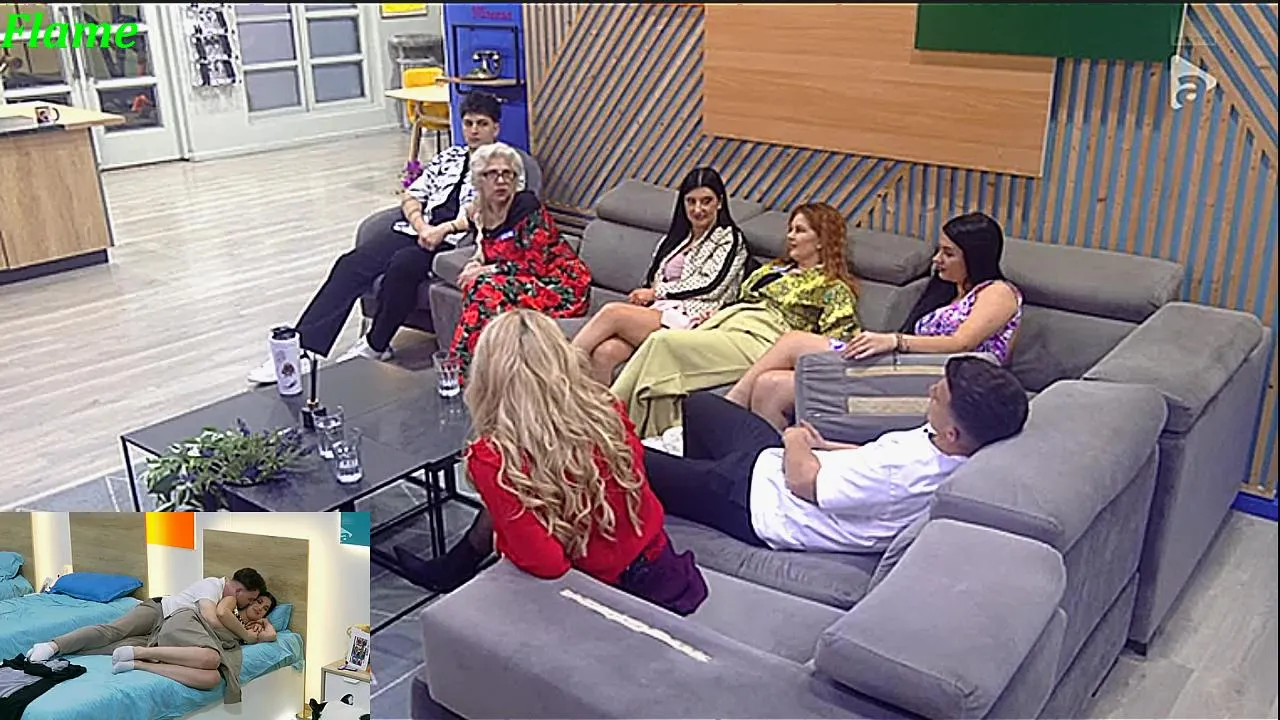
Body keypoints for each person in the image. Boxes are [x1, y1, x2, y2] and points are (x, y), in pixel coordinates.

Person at [394, 309, 707, 615]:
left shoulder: (493, 456)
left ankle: (446, 571)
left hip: (610, 593)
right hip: (659, 560)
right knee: (514, 487)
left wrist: (505, 539)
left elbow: (547, 564)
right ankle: (452, 567)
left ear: (488, 377)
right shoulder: (605, 410)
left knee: (509, 486)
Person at [246, 92, 516, 383]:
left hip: (453, 242)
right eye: (468, 123)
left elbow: (486, 211)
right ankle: (303, 349)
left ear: (496, 128)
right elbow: (412, 194)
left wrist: (441, 230)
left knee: (403, 265)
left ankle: (376, 344)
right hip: (417, 229)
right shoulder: (449, 157)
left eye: (482, 124)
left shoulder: (503, 166)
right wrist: (420, 225)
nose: (474, 130)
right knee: (350, 264)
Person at [644, 356, 1029, 554]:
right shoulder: (952, 444)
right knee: (701, 406)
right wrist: (825, 447)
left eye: (938, 396)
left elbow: (804, 483)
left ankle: (689, 495)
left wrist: (795, 439)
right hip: (774, 468)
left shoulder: (905, 473)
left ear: (954, 432)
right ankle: (690, 489)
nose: (930, 391)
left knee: (635, 458)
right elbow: (872, 456)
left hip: (759, 504)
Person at [724, 211, 1023, 430]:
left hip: (946, 382)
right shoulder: (947, 291)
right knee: (769, 386)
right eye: (938, 251)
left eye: (948, 253)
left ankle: (728, 406)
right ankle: (762, 465)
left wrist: (894, 341)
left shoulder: (998, 292)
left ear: (975, 257)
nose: (936, 260)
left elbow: (962, 342)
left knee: (794, 342)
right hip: (910, 367)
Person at [610, 202, 861, 438]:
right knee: (656, 372)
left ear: (821, 240)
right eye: (790, 229)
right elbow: (739, 297)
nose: (791, 237)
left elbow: (837, 343)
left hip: (764, 340)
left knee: (662, 342)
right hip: (729, 324)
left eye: (800, 230)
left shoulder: (832, 287)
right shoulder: (774, 269)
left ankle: (608, 419)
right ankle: (646, 437)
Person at [570, 167, 749, 383]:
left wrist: (656, 293)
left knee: (612, 313)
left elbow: (711, 285)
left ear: (719, 202)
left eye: (706, 201)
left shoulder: (729, 238)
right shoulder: (677, 239)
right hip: (660, 311)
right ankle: (595, 405)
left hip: (694, 320)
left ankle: (560, 368)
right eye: (691, 201)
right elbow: (653, 277)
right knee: (605, 353)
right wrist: (646, 298)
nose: (698, 209)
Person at [448, 144, 591, 373]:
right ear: (478, 180)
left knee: (484, 287)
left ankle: (464, 370)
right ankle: (480, 368)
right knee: (477, 286)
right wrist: (475, 263)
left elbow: (536, 265)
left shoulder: (526, 206)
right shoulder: (479, 212)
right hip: (521, 281)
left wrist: (486, 271)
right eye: (492, 174)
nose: (501, 181)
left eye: (508, 174)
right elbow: (485, 248)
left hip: (559, 284)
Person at [25, 567, 267, 663]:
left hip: (167, 631)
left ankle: (66, 655)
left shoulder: (229, 605)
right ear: (239, 590)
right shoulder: (212, 586)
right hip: (159, 611)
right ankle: (53, 645)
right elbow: (212, 619)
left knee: (116, 647)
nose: (249, 604)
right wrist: (244, 635)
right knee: (114, 631)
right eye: (250, 598)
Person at [104, 591, 280, 702]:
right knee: (212, 658)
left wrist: (264, 622)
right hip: (190, 624)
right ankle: (141, 651)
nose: (260, 608)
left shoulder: (252, 629)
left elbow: (271, 635)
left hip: (201, 643)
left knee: (213, 679)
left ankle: (139, 664)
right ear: (250, 600)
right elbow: (219, 613)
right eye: (258, 602)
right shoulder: (230, 603)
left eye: (265, 609)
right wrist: (246, 633)